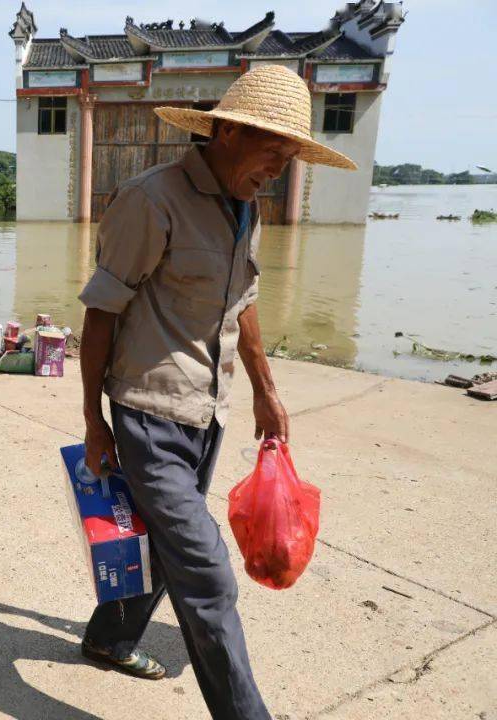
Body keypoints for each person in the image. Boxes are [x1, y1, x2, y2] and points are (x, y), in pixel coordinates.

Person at [77, 65, 356, 719]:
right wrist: (93, 420)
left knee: (164, 541)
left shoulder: (244, 205)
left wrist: (266, 387)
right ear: (228, 130)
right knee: (206, 571)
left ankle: (109, 638)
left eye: (290, 157)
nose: (280, 170)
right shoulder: (151, 201)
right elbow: (100, 313)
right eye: (274, 151)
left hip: (208, 413)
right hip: (147, 413)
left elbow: (244, 300)